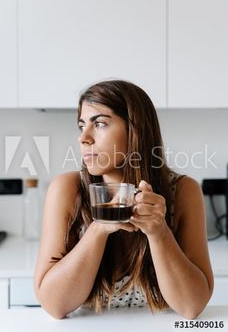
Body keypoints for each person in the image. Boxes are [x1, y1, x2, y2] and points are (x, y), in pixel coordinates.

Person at [34, 80, 213, 319]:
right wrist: (99, 229)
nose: (83, 138)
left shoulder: (182, 191)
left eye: (99, 123)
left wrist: (158, 232)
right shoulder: (68, 189)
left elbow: (191, 307)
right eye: (81, 126)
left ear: (136, 130)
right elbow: (55, 306)